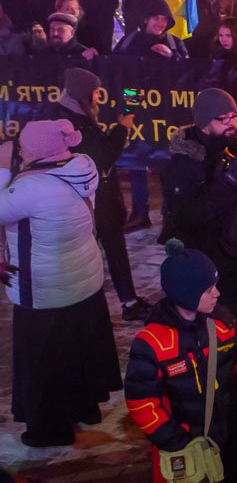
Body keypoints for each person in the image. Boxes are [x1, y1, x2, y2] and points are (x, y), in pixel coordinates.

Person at [0, 121, 121, 447]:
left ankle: (49, 429)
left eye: (24, 147)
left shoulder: (32, 187)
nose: (20, 152)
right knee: (75, 351)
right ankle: (85, 406)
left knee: (42, 362)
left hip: (44, 290)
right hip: (82, 282)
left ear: (37, 151)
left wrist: (1, 169)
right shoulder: (82, 166)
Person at [125, 241, 237, 481]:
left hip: (227, 438)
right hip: (186, 445)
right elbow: (141, 402)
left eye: (215, 285)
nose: (217, 293)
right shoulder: (153, 343)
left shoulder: (225, 324)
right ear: (186, 293)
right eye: (208, 289)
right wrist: (173, 440)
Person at [162, 89, 237, 364]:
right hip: (221, 277)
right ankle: (226, 404)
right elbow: (186, 219)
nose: (232, 123)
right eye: (222, 118)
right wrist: (225, 186)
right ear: (202, 123)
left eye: (234, 116)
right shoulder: (183, 165)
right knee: (225, 350)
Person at [52, 67, 151, 320]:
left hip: (95, 200)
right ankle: (93, 304)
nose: (98, 98)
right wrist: (121, 129)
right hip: (92, 201)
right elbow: (102, 157)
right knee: (99, 252)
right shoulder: (73, 122)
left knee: (112, 249)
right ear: (84, 95)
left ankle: (128, 301)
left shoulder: (73, 115)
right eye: (95, 93)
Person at [114, 0, 189, 59]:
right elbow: (111, 65)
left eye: (164, 19)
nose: (160, 23)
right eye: (156, 18)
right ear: (146, 19)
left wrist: (172, 55)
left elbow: (188, 70)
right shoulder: (128, 40)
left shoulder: (176, 43)